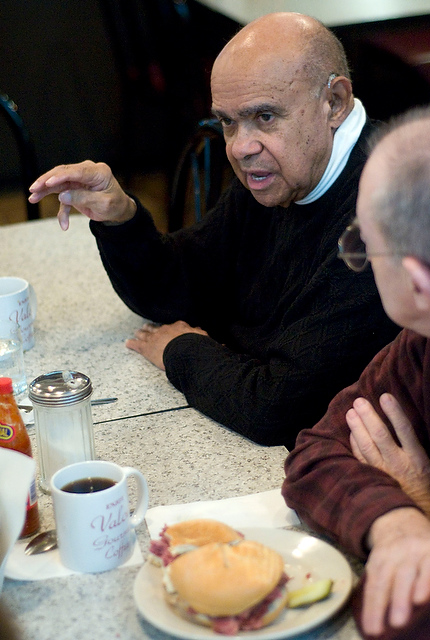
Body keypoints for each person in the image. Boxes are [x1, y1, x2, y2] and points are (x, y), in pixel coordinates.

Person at [28, 13, 398, 450]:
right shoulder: (280, 173)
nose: (240, 147)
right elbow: (178, 289)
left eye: (264, 116)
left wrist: (181, 350)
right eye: (227, 121)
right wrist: (120, 216)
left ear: (334, 103)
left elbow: (278, 408)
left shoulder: (384, 218)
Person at [282, 105, 430, 639]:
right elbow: (314, 453)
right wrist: (398, 520)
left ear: (419, 284)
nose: (355, 256)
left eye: (365, 245)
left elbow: (403, 618)